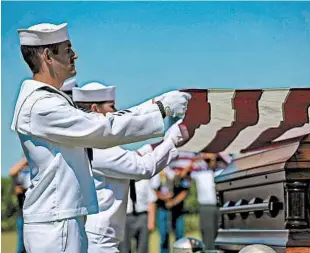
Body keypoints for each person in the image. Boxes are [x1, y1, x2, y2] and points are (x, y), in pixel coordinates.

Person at [12, 22, 191, 253]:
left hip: (62, 218)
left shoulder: (47, 100)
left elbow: (105, 121)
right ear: (47, 56)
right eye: (67, 49)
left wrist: (155, 105)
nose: (74, 55)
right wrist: (161, 110)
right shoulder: (42, 104)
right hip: (57, 223)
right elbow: (102, 128)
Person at [71, 82, 189, 253]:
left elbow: (130, 131)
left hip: (99, 236)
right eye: (111, 106)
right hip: (100, 241)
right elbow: (144, 167)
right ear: (95, 109)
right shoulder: (99, 148)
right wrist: (172, 140)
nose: (116, 110)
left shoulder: (89, 143)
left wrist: (160, 107)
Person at [151, 165, 192, 253]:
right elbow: (153, 189)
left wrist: (173, 202)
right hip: (163, 208)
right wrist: (164, 197)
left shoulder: (181, 168)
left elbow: (185, 190)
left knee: (180, 236)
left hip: (178, 210)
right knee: (164, 237)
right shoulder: (159, 169)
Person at [119, 178, 156, 253]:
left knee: (143, 247)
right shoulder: (121, 182)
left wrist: (151, 222)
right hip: (125, 218)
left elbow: (151, 201)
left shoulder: (144, 181)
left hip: (142, 216)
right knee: (124, 248)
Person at [9, 157, 31, 253]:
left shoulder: (34, 172)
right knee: (21, 246)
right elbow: (12, 172)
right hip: (22, 215)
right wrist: (26, 160)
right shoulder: (20, 173)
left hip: (36, 215)